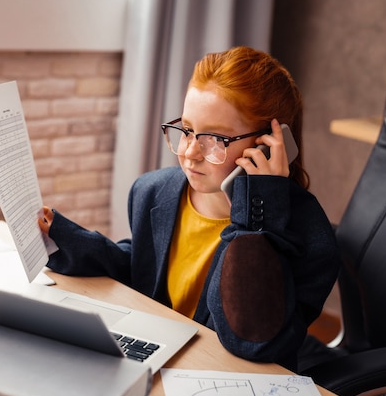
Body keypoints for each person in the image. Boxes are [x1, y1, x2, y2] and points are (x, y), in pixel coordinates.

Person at [38, 46, 341, 372]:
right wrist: (64, 238)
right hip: (164, 363)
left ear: (270, 143)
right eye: (186, 130)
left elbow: (253, 339)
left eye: (214, 139)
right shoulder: (154, 192)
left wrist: (257, 217)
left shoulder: (311, 234)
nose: (190, 152)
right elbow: (143, 269)